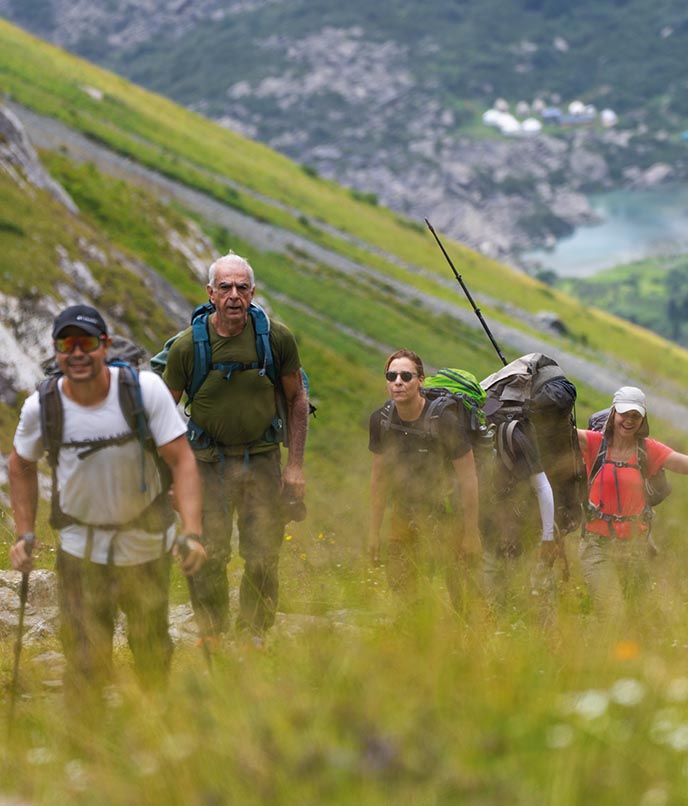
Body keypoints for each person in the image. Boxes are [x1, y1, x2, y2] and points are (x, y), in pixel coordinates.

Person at [9, 304, 205, 711]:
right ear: (57, 350)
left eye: (86, 342)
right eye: (67, 344)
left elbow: (182, 459)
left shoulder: (144, 392)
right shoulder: (42, 406)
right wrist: (24, 531)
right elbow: (20, 463)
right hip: (80, 550)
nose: (77, 353)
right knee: (84, 657)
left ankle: (154, 728)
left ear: (105, 345)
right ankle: (88, 738)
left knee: (151, 647)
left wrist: (192, 531)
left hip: (146, 545)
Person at [162, 252, 309, 641]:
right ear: (210, 293)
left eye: (242, 287)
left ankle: (253, 635)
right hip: (204, 463)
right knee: (209, 551)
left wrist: (294, 466)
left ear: (252, 293)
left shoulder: (276, 339)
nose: (233, 295)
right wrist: (171, 478)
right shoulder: (186, 347)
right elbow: (162, 413)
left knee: (263, 553)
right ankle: (212, 634)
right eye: (224, 287)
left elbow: (297, 399)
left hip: (262, 458)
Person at [368, 349, 481, 603]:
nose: (398, 382)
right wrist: (374, 532)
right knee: (402, 587)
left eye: (406, 376)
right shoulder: (381, 421)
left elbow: (468, 479)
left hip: (447, 515)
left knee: (460, 589)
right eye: (391, 376)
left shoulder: (445, 422)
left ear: (420, 380)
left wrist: (471, 533)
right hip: (403, 513)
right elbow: (378, 480)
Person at [577, 385, 688, 619]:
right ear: (613, 414)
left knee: (635, 617)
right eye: (624, 414)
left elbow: (683, 464)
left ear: (642, 420)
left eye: (635, 416)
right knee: (613, 613)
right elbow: (557, 432)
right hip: (596, 546)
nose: (629, 421)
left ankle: (593, 640)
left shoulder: (648, 450)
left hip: (635, 548)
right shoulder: (594, 442)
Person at [480, 411, 565, 607]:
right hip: (488, 534)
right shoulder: (460, 433)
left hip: (520, 533)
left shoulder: (511, 436)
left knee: (522, 596)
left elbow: (542, 486)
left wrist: (547, 538)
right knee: (493, 600)